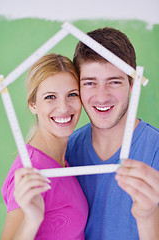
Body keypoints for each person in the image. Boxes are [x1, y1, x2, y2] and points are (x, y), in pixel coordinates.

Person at [66, 27, 159, 240]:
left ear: (132, 85)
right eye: (90, 83)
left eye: (114, 81)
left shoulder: (155, 150)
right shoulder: (67, 151)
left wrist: (149, 216)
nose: (101, 96)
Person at [1, 53, 88, 240]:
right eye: (50, 97)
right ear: (33, 104)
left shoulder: (64, 159)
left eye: (72, 94)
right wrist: (32, 220)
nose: (63, 107)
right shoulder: (30, 171)